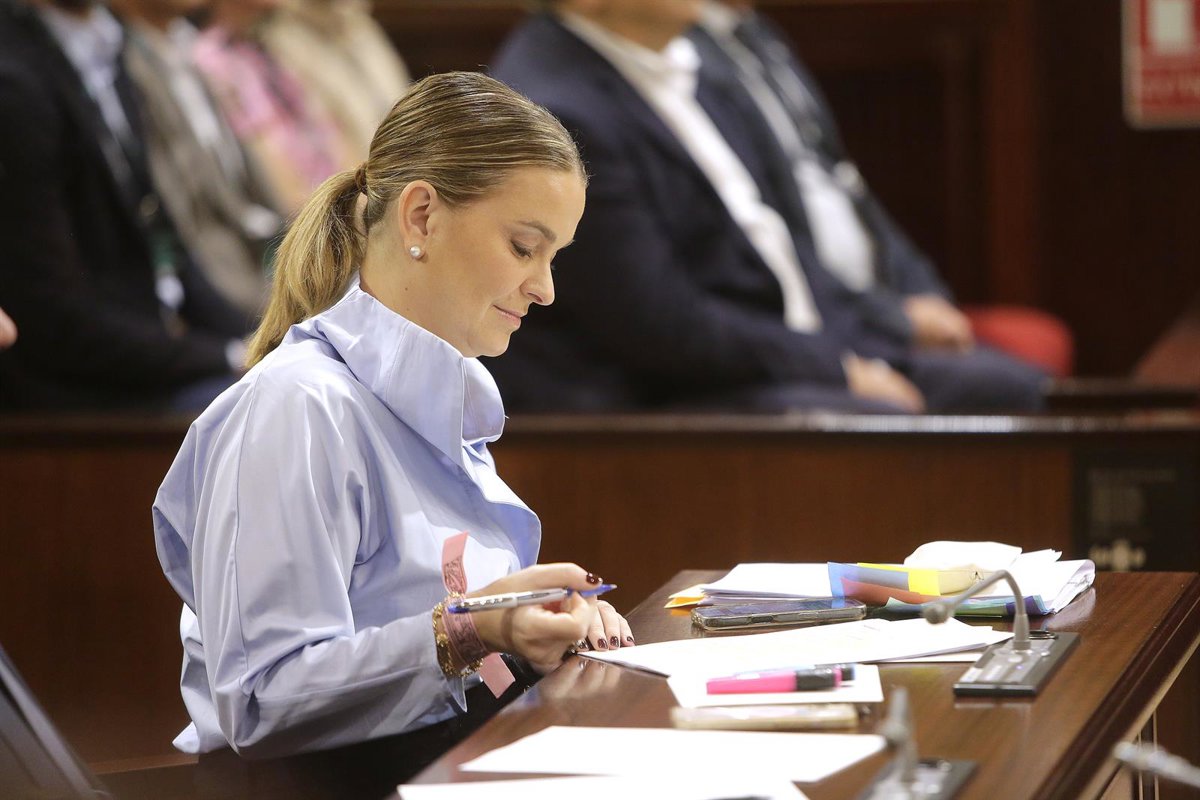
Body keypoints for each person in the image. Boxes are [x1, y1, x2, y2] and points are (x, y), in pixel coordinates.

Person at [152, 71, 630, 791]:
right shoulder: (296, 406)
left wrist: (542, 627)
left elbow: (461, 646)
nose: (545, 288)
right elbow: (260, 698)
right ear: (421, 217)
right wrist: (474, 628)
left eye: (552, 257)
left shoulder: (440, 398)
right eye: (523, 247)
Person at [488, 0, 1047, 414]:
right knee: (883, 418)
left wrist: (877, 332)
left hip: (777, 348)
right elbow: (660, 325)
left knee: (1013, 388)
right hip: (658, 393)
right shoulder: (560, 111)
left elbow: (784, 240)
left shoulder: (701, 65)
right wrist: (835, 369)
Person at [691, 0, 1074, 378]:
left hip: (872, 306)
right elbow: (769, 231)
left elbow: (848, 185)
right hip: (825, 319)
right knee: (1014, 386)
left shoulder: (761, 35)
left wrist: (926, 293)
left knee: (1027, 361)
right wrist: (894, 320)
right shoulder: (689, 58)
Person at [0, 0, 250, 411]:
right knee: (283, 406)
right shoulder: (13, 76)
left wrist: (262, 340)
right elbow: (55, 323)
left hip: (151, 354)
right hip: (81, 396)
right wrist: (227, 355)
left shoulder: (107, 40)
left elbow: (165, 241)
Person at [113, 0, 284, 323]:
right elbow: (186, 219)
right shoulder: (123, 64)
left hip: (259, 250)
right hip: (220, 280)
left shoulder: (183, 45)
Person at [193, 0, 356, 214]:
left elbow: (325, 121)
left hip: (339, 191)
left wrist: (358, 185)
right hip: (309, 212)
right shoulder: (210, 59)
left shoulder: (270, 42)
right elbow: (259, 153)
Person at [260, 0, 411, 160]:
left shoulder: (362, 25)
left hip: (406, 161)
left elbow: (401, 106)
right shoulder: (279, 41)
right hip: (364, 169)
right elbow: (331, 148)